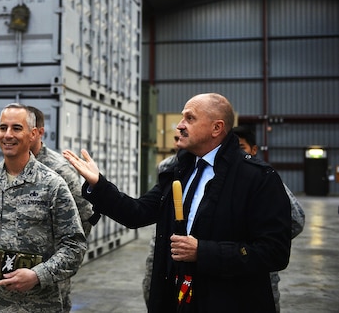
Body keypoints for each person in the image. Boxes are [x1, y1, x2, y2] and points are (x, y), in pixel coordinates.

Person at [63, 93, 292, 313]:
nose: (180, 125)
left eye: (190, 118)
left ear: (216, 128)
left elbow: (274, 252)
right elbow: (137, 213)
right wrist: (99, 184)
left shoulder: (257, 178)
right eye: (182, 118)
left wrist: (203, 252)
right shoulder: (179, 171)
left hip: (230, 301)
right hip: (180, 297)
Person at [0, 103, 87, 312]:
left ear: (33, 134)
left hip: (37, 305)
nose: (8, 135)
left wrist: (38, 275)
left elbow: (75, 246)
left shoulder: (53, 184)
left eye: (16, 128)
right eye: (3, 128)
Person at [27, 105, 94, 312]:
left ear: (39, 132)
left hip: (50, 269)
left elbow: (84, 214)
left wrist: (64, 259)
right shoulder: (15, 165)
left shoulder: (58, 169)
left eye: (21, 128)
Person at [232, 125, 305, 313]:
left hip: (260, 271)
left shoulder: (263, 177)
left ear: (254, 150)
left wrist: (260, 244)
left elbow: (296, 219)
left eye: (241, 148)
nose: (236, 153)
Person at [143, 132, 180, 306]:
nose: (178, 141)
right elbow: (142, 209)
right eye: (175, 138)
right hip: (162, 236)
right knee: (151, 289)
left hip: (188, 245)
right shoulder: (166, 167)